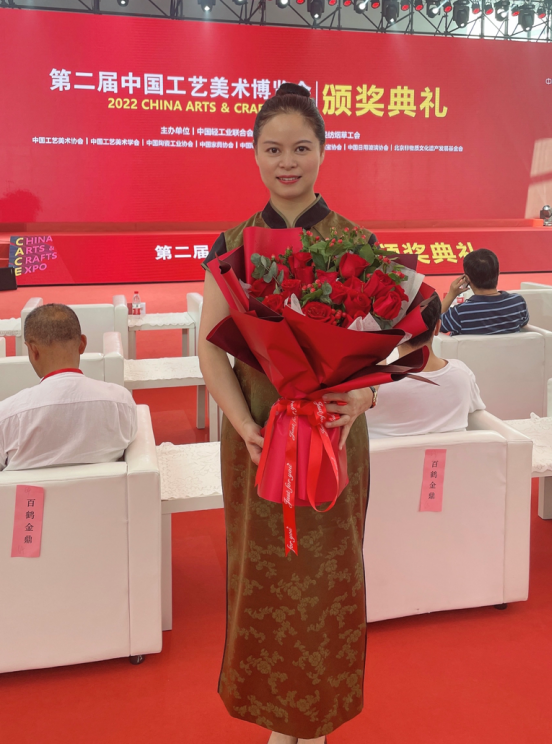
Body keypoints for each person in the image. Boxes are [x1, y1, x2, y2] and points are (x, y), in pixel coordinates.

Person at [198, 83, 375, 744]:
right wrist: (243, 424)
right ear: (254, 154)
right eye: (272, 149)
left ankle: (318, 717)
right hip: (257, 438)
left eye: (301, 147)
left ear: (323, 151)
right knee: (262, 574)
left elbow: (388, 347)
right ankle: (277, 716)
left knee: (329, 578)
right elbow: (210, 348)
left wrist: (363, 397)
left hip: (333, 437)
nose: (287, 162)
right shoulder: (232, 243)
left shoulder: (355, 242)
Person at [0, 303, 137, 472]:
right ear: (82, 344)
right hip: (105, 490)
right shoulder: (121, 402)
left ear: (33, 350)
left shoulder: (7, 416)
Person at [366, 293, 485, 438]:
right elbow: (475, 411)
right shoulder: (463, 374)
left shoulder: (369, 389)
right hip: (453, 453)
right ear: (437, 327)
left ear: (392, 330)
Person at [441, 248, 529, 335]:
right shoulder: (518, 303)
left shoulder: (460, 313)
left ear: (467, 279)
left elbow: (435, 324)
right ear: (498, 273)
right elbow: (523, 323)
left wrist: (451, 295)